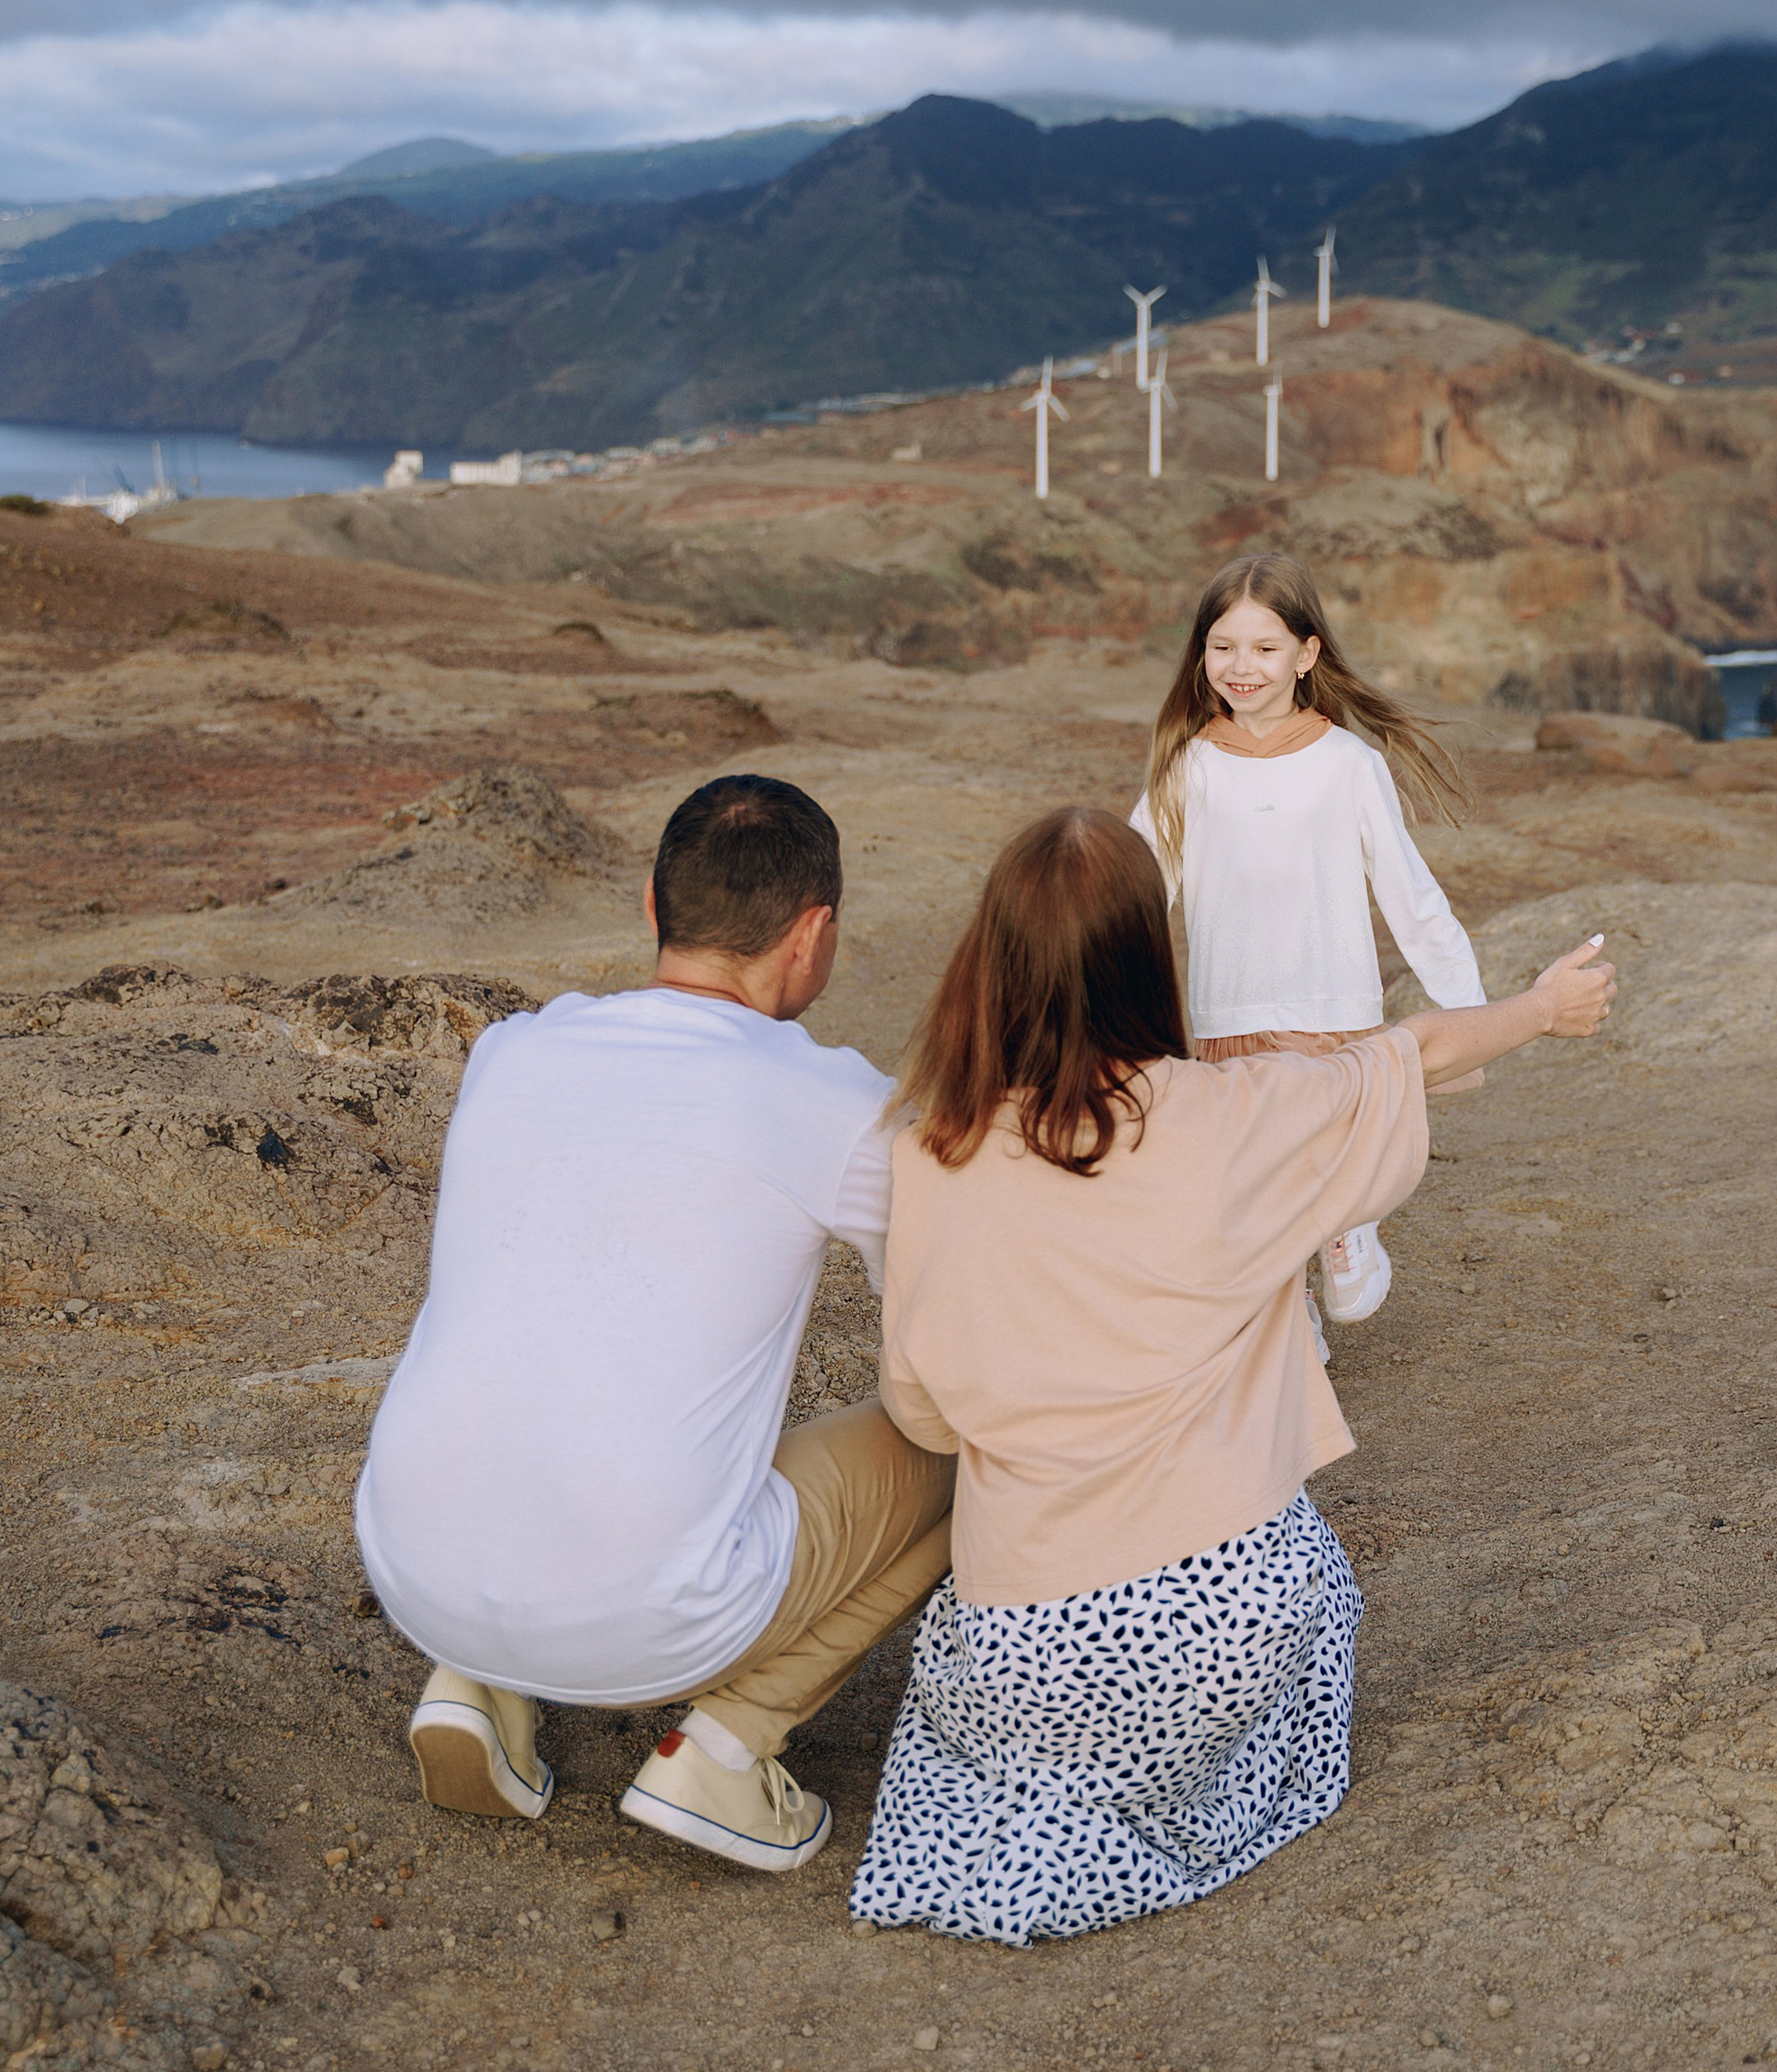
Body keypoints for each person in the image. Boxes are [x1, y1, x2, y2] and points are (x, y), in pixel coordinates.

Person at [848, 806, 1613, 1946]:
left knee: (994, 1737)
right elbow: (1408, 1056)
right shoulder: (1231, 1119)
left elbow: (920, 1407)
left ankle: (1033, 1832)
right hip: (1219, 1627)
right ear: (1148, 954)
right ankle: (1178, 1806)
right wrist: (1545, 1009)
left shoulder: (929, 1147)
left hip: (1020, 1643)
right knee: (1307, 1593)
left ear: (990, 959)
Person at [355, 775, 953, 1874]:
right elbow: (959, 1308)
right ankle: (726, 1746)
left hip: (410, 1563)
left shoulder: (511, 1050)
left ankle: (477, 1682)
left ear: (650, 906)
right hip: (648, 1611)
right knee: (952, 1456)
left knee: (565, 1352)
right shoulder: (836, 1105)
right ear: (813, 934)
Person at [1130, 549, 1486, 1328]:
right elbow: (1130, 892)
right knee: (1251, 1183)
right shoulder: (1187, 769)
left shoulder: (1348, 763)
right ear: (1201, 656)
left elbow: (1411, 897)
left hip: (1332, 1008)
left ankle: (1348, 1226)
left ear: (1306, 654)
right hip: (1228, 1016)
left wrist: (1471, 1016)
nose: (1241, 667)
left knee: (1318, 1158)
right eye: (1222, 647)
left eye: (1264, 647)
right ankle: (1292, 1330)